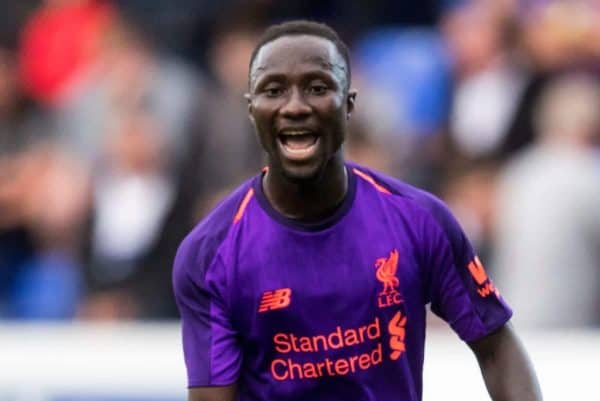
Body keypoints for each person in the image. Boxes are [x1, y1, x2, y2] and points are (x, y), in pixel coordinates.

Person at [173, 20, 542, 401]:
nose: (295, 106)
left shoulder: (418, 221)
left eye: (317, 87)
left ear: (348, 104)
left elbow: (498, 349)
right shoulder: (210, 253)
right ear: (252, 110)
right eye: (274, 90)